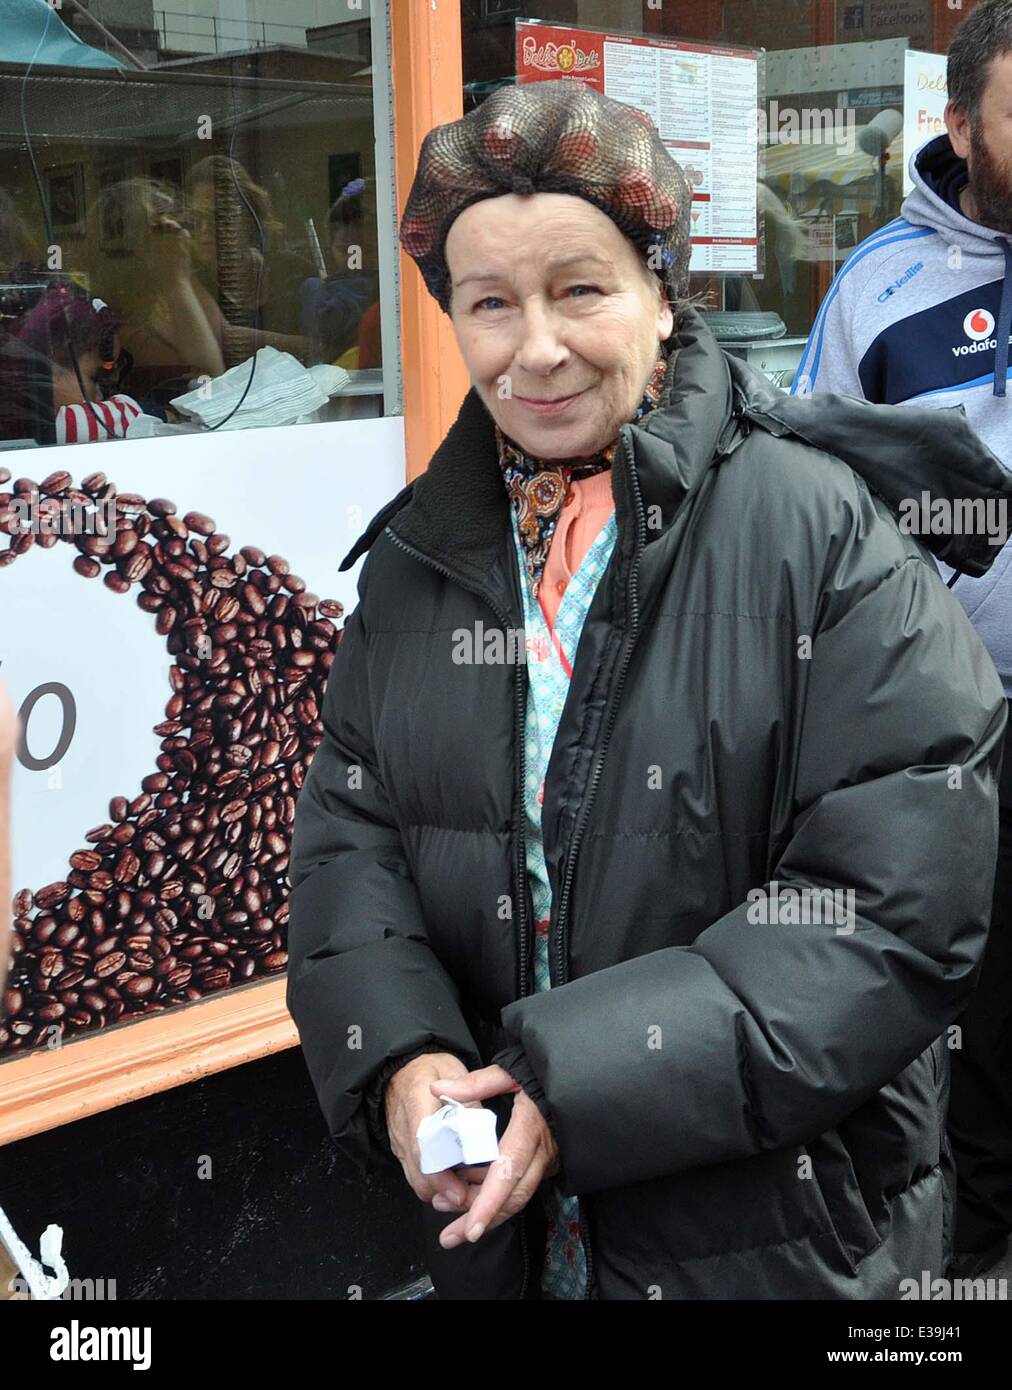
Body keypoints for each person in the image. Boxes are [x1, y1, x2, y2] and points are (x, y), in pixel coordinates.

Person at [287, 79, 1009, 1300]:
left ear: (660, 297)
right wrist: (401, 1056)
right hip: (504, 1241)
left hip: (769, 1236)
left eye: (581, 289)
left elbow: (892, 903)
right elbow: (350, 839)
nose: (538, 348)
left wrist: (579, 1089)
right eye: (490, 305)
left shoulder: (813, 531)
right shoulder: (419, 562)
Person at [792, 0, 1012, 1277]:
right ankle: (972, 1250)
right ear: (959, 124)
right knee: (971, 998)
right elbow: (822, 506)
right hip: (961, 718)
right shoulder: (878, 288)